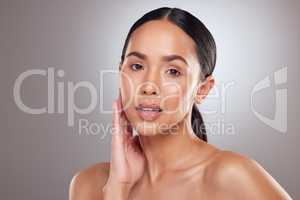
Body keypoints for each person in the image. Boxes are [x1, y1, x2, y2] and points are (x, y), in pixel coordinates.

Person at [69, 7, 292, 200]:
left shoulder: (232, 177)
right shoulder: (88, 185)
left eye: (173, 71)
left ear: (202, 89)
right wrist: (118, 189)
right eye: (137, 66)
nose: (149, 86)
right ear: (120, 73)